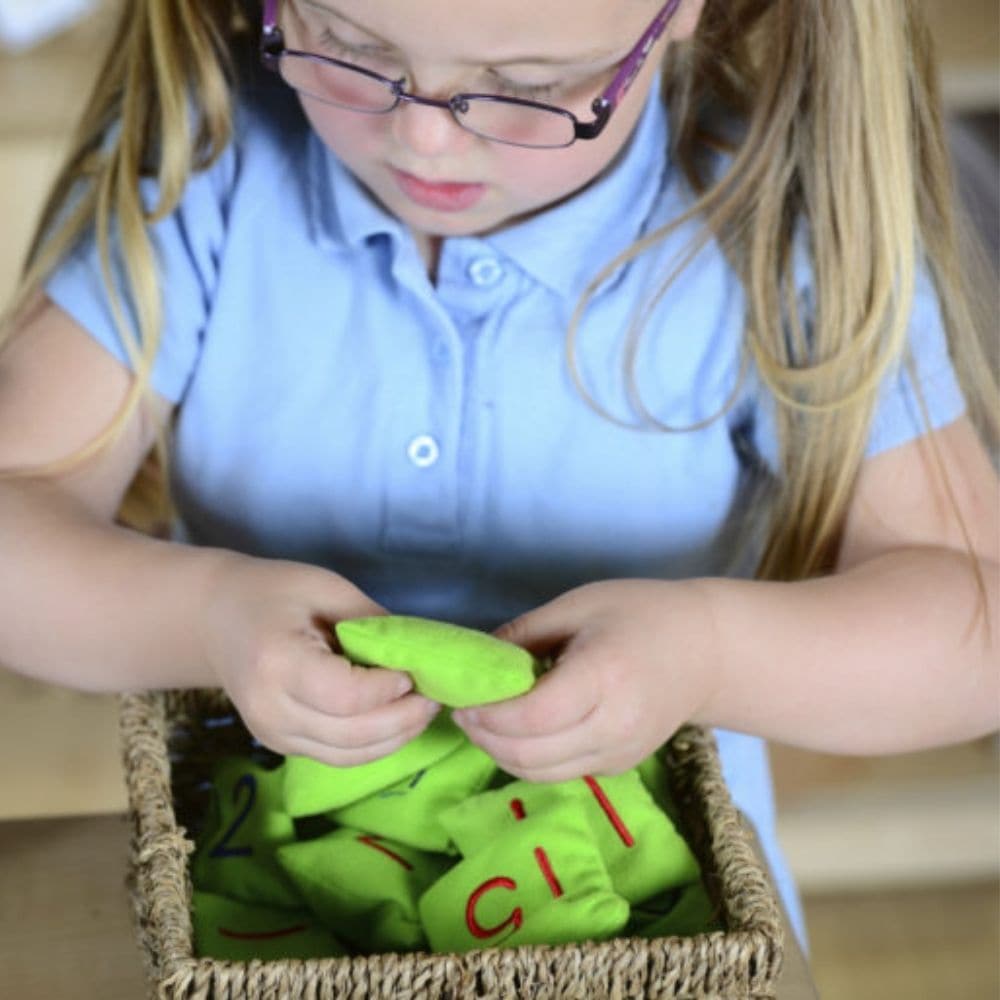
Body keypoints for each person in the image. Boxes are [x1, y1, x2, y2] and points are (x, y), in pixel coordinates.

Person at [0, 0, 996, 945]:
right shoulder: (208, 161)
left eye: (529, 84)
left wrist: (706, 653)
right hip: (267, 902)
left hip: (647, 920)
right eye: (351, 49)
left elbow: (974, 627)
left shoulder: (777, 227)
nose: (425, 141)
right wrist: (208, 617)